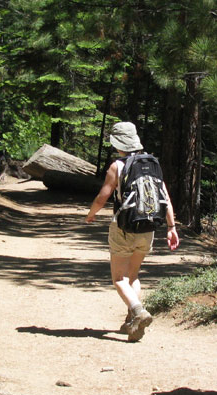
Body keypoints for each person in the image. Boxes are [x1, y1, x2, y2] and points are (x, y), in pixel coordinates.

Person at [85, 121, 180, 342]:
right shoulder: (153, 163)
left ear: (118, 143)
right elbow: (164, 197)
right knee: (133, 276)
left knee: (119, 279)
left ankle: (138, 311)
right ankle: (132, 323)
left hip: (124, 227)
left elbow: (103, 196)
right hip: (148, 228)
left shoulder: (117, 166)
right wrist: (172, 227)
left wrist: (91, 214)